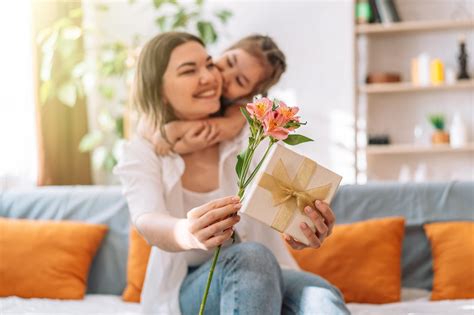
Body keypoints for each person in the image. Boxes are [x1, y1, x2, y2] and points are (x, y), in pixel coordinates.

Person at [115, 31, 349, 314]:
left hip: (267, 271)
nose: (213, 77)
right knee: (251, 258)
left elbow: (288, 200)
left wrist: (304, 227)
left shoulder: (248, 136)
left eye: (209, 64)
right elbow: (147, 220)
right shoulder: (145, 149)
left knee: (321, 296)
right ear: (159, 90)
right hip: (189, 286)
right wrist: (186, 233)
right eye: (190, 70)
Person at [137, 34, 286, 155]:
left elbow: (227, 128)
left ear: (249, 94)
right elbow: (146, 124)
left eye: (239, 81)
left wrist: (177, 132)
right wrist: (159, 134)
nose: (225, 76)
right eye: (229, 61)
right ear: (226, 50)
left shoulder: (240, 111)